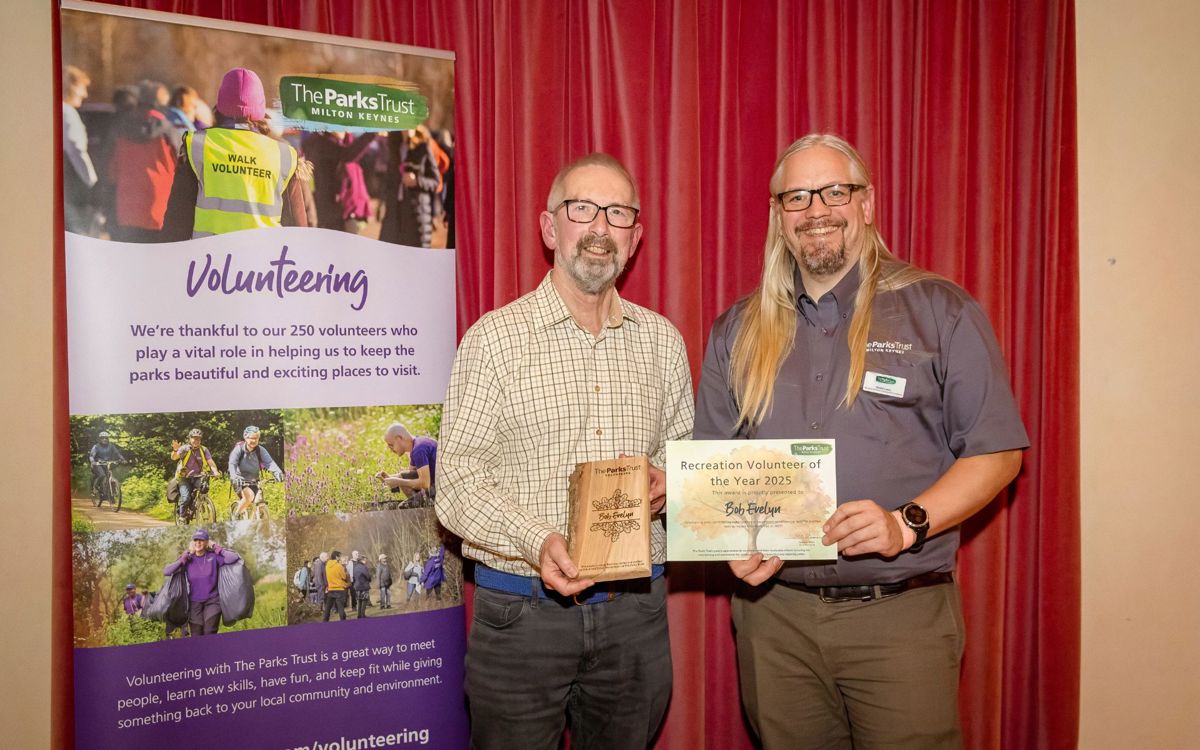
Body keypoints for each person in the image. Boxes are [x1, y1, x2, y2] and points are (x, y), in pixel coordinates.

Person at [693, 134, 1029, 750]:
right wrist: (731, 542)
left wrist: (908, 523)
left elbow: (997, 452)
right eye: (796, 196)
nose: (816, 209)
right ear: (776, 215)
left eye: (834, 191)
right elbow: (714, 465)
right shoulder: (736, 331)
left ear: (866, 203)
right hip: (775, 622)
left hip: (900, 618)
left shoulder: (940, 310)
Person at [436, 153, 695, 748]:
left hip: (636, 615)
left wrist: (671, 481)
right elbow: (456, 484)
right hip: (522, 615)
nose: (600, 228)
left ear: (636, 235)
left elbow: (686, 460)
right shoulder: (494, 340)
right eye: (582, 209)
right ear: (551, 228)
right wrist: (537, 540)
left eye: (618, 212)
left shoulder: (663, 342)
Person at [161, 67, 308, 240]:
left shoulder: (197, 145)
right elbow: (299, 231)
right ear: (260, 108)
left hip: (207, 262)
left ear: (220, 105)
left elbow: (177, 221)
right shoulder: (284, 154)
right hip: (262, 263)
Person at [107, 79, 182, 242]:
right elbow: (182, 168)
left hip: (127, 210)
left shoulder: (121, 129)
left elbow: (112, 171)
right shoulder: (169, 132)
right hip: (160, 209)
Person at [162, 529, 241, 636]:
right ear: (193, 542)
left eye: (201, 540)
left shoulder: (213, 556)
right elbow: (166, 571)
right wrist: (181, 560)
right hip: (194, 603)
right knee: (196, 634)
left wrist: (219, 549)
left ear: (207, 542)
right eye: (196, 540)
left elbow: (234, 558)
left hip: (213, 601)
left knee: (209, 632)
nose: (198, 543)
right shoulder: (188, 559)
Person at [62, 65, 98, 235]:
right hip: (75, 188)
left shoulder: (55, 110)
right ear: (71, 87)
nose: (85, 94)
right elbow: (76, 151)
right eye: (82, 88)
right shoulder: (67, 113)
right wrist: (92, 182)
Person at [228, 425, 284, 518]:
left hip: (254, 480)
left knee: (259, 499)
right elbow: (232, 464)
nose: (254, 440)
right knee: (249, 496)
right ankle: (235, 516)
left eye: (257, 438)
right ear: (245, 437)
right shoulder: (238, 449)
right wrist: (235, 476)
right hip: (240, 480)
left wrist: (278, 472)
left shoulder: (260, 450)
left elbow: (269, 462)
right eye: (252, 438)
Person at [375, 423, 437, 504]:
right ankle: (420, 504)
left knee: (403, 508)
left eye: (391, 445)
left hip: (442, 490)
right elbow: (411, 475)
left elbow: (425, 483)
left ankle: (426, 507)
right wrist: (390, 478)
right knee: (403, 476)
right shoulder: (416, 444)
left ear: (399, 438)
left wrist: (398, 482)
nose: (391, 449)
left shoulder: (419, 450)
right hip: (436, 484)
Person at [171, 428, 220, 520]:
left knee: (204, 489)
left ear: (200, 440)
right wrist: (175, 450)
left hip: (198, 476)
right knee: (185, 497)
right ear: (190, 439)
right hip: (184, 477)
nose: (196, 440)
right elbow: (174, 458)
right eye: (194, 438)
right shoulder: (184, 448)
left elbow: (211, 462)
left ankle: (200, 505)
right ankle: (182, 515)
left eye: (198, 438)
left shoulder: (204, 450)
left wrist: (215, 471)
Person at [88, 431, 126, 501]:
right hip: (98, 464)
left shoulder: (111, 446)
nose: (104, 439)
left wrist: (122, 459)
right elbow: (91, 456)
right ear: (99, 439)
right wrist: (93, 462)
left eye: (106, 438)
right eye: (102, 438)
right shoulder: (96, 446)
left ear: (108, 439)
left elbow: (117, 453)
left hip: (107, 464)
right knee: (102, 475)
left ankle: (109, 494)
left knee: (109, 476)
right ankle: (95, 487)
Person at [322, 550, 349, 622]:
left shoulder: (327, 565)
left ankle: (325, 620)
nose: (340, 558)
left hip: (331, 589)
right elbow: (344, 577)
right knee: (340, 607)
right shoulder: (339, 566)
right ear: (337, 557)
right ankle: (343, 621)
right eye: (339, 556)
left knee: (328, 607)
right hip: (339, 589)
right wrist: (346, 572)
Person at [352, 551, 374, 618]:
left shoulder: (355, 567)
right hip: (363, 586)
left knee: (359, 600)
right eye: (365, 559)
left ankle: (359, 615)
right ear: (362, 560)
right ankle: (363, 615)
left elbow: (354, 577)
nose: (366, 561)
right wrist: (370, 579)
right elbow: (368, 576)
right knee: (364, 600)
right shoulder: (363, 567)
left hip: (357, 586)